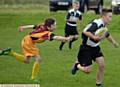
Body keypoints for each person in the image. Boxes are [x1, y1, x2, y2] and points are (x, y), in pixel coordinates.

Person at [0, 18, 73, 82]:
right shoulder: (46, 33)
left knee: (26, 61)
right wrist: (66, 39)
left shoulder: (42, 26)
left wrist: (23, 27)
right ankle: (33, 77)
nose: (56, 26)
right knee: (38, 59)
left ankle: (10, 53)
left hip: (26, 40)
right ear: (49, 26)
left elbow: (33, 26)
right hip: (29, 42)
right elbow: (56, 37)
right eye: (54, 25)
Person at [71, 9, 119, 87]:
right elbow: (85, 31)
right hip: (86, 48)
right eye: (109, 17)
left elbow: (106, 34)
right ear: (103, 17)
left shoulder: (104, 24)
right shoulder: (97, 23)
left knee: (102, 65)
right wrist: (94, 37)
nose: (111, 19)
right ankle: (77, 65)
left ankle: (98, 83)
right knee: (88, 71)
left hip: (95, 47)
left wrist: (114, 42)